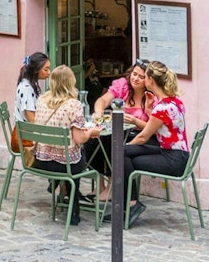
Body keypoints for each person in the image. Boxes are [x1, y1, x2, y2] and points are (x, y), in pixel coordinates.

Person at [25, 65, 104, 226]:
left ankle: (57, 186)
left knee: (71, 155)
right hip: (65, 166)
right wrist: (91, 132)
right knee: (78, 155)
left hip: (42, 162)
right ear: (71, 83)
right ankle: (74, 207)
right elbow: (80, 138)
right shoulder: (73, 105)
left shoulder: (41, 101)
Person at [117, 61, 189, 228]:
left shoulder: (162, 108)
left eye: (144, 76)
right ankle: (131, 203)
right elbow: (163, 128)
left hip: (173, 160)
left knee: (122, 155)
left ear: (150, 80)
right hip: (179, 154)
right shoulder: (175, 102)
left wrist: (126, 148)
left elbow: (143, 137)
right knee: (124, 154)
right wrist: (149, 111)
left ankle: (132, 204)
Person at [93, 59, 155, 132]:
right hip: (118, 133)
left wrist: (136, 122)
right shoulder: (123, 86)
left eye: (141, 77)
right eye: (134, 74)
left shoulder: (153, 96)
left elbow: (156, 129)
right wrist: (98, 112)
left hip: (143, 137)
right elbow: (103, 100)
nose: (135, 79)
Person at [15, 52, 51, 123]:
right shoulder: (27, 89)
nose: (49, 72)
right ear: (36, 70)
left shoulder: (26, 83)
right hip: (26, 132)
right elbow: (32, 120)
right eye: (46, 70)